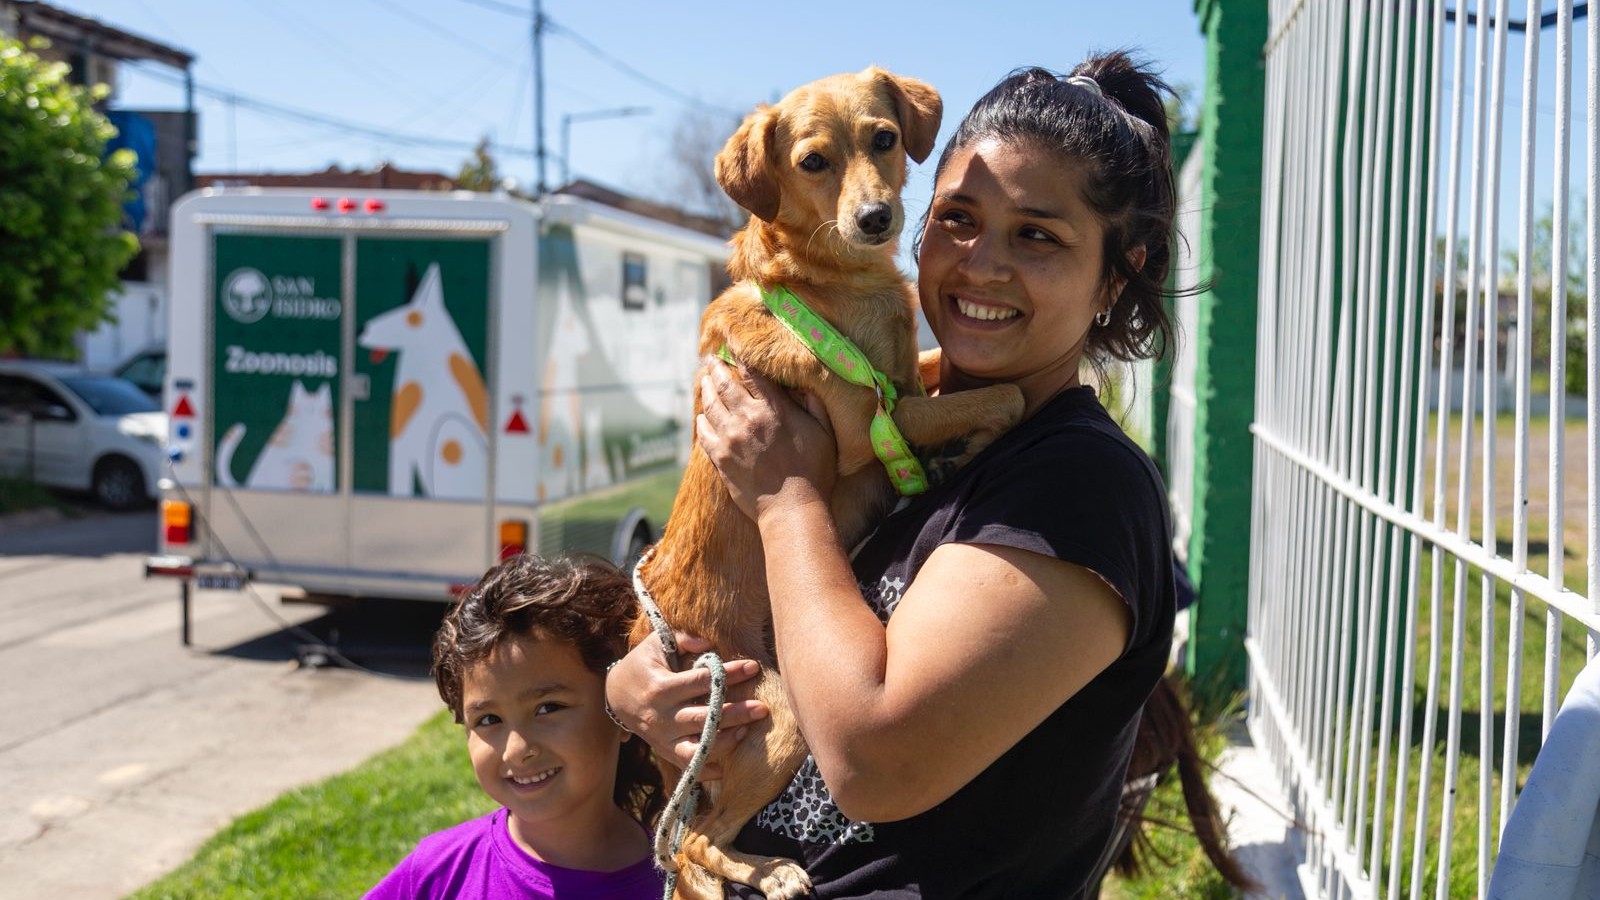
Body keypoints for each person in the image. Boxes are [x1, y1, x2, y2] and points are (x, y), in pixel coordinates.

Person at [609, 50, 1181, 898]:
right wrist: (636, 688)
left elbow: (872, 762)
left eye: (1039, 235)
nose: (981, 263)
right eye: (957, 219)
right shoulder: (904, 404)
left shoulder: (1079, 487)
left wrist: (785, 496)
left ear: (1119, 271)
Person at [366, 554, 666, 899]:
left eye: (547, 708)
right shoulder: (437, 872)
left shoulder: (680, 886)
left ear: (620, 711)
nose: (518, 750)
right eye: (488, 720)